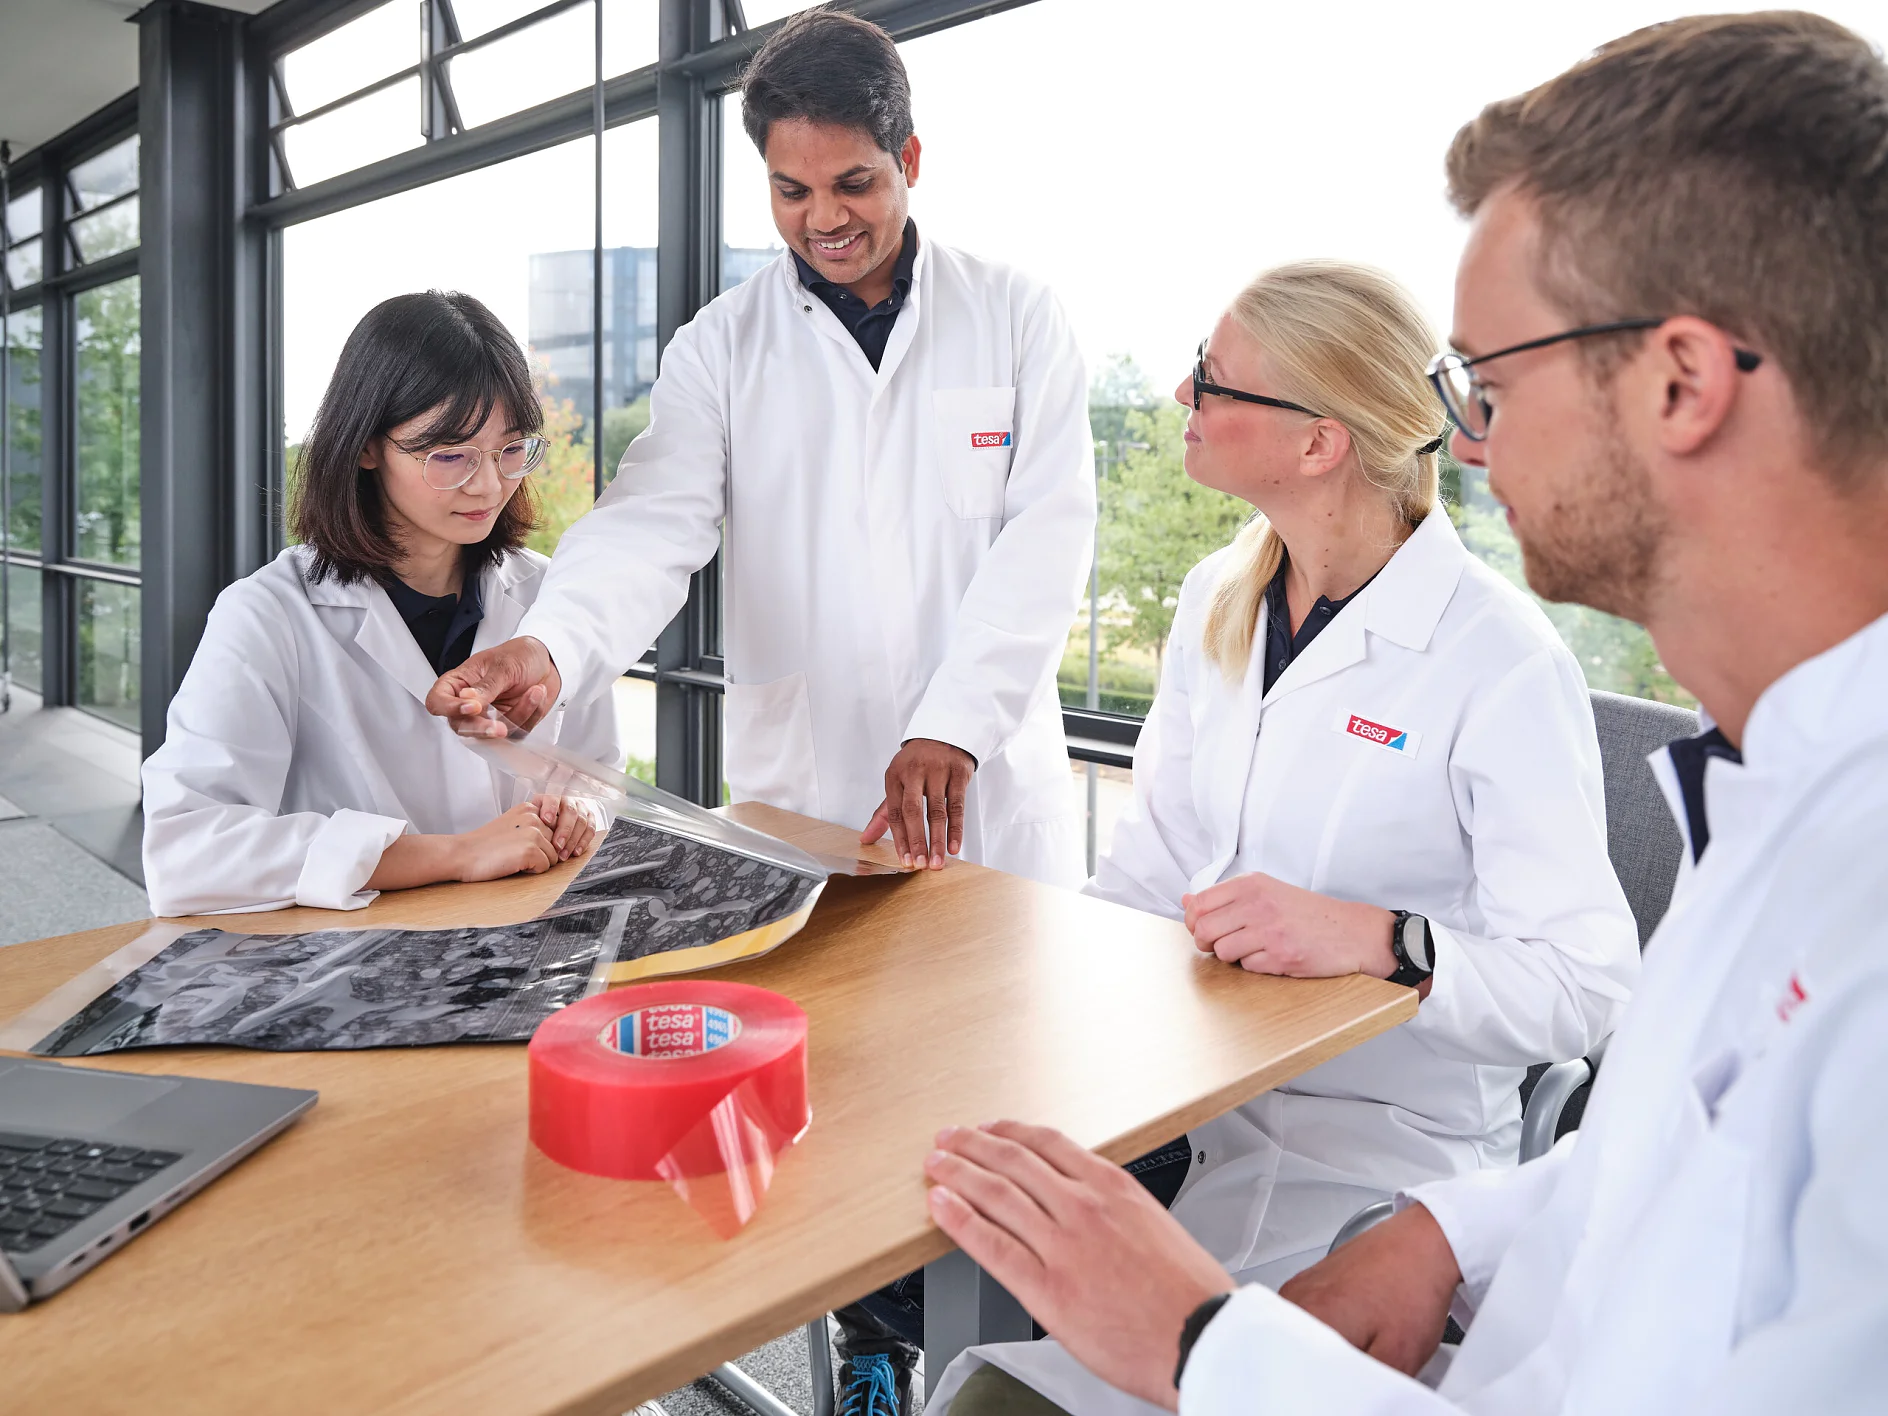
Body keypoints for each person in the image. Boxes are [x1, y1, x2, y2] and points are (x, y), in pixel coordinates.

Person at [918, 12, 1888, 1415]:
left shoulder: (1816, 866)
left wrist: (1205, 1345)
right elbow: (1669, 1158)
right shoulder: (1785, 793)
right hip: (1241, 1136)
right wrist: (1451, 1237)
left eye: (1489, 383)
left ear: (1680, 383)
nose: (1466, 438)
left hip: (1359, 1154)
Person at [920, 261, 1638, 1415]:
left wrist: (1383, 939)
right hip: (1183, 1099)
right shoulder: (1221, 595)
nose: (1179, 396)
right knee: (953, 1197)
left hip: (1379, 1156)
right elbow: (1153, 866)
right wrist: (1030, 1000)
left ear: (1318, 445)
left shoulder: (1498, 661)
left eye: (1213, 380)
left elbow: (1587, 987)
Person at [422, 9, 1094, 894]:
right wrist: (550, 645)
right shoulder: (722, 346)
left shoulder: (1014, 316)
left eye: (853, 183)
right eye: (791, 191)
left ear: (912, 161)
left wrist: (959, 723)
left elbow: (1047, 538)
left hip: (991, 790)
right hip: (813, 794)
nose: (825, 219)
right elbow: (651, 526)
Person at [141, 291, 614, 917]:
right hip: (349, 965)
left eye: (510, 449)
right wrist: (455, 854)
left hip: (529, 935)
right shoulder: (269, 614)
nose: (489, 483)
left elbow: (598, 773)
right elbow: (186, 850)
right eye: (448, 455)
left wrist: (581, 810)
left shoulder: (550, 598)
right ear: (366, 447)